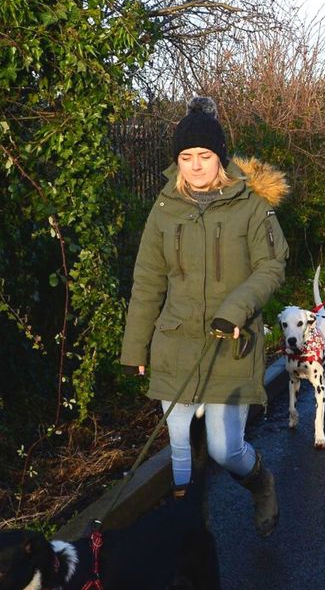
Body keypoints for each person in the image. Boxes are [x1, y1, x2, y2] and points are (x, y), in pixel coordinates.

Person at [120, 96, 285, 537]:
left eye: (204, 156)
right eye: (186, 157)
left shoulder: (250, 206)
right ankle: (188, 535)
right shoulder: (163, 208)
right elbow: (148, 279)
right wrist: (136, 344)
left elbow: (271, 266)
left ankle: (261, 481)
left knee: (223, 448)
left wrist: (235, 309)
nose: (195, 166)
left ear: (220, 158)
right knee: (179, 448)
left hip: (229, 343)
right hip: (175, 341)